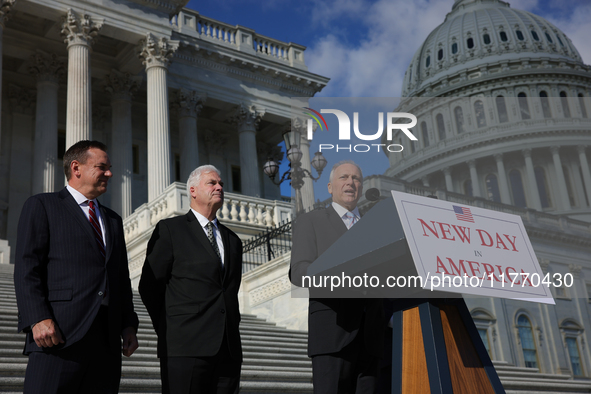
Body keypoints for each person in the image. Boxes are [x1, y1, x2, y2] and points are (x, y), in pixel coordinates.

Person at [14, 140, 139, 394]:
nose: (110, 173)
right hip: (58, 335)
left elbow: (121, 279)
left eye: (109, 167)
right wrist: (37, 317)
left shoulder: (113, 220)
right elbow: (28, 268)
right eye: (102, 167)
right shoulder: (42, 206)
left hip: (106, 341)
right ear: (76, 168)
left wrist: (128, 324)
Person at [139, 165, 243, 394]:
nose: (219, 187)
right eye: (212, 183)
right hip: (184, 347)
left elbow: (230, 290)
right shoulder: (170, 230)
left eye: (221, 184)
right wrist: (171, 329)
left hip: (228, 349)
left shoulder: (233, 240)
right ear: (193, 191)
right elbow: (149, 287)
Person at [290, 160, 384, 394]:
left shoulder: (376, 228)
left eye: (356, 179)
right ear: (330, 187)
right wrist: (340, 273)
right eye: (344, 177)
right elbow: (299, 271)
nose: (351, 182)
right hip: (332, 333)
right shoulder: (311, 221)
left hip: (373, 338)